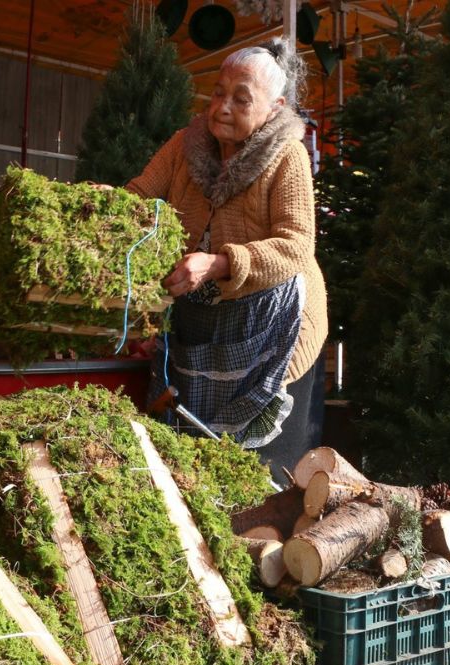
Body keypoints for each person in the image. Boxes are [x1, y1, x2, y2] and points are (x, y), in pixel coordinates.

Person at [127, 38, 327, 486]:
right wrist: (105, 207)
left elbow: (296, 246)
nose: (222, 106)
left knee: (260, 476)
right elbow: (140, 195)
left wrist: (219, 263)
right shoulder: (185, 145)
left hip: (274, 327)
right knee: (191, 459)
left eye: (241, 98)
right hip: (202, 322)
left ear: (274, 109)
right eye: (218, 92)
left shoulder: (285, 155)